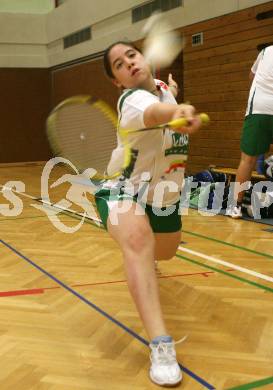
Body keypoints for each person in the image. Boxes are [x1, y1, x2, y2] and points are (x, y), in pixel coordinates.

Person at [95, 41, 202, 387]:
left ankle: (146, 257)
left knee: (166, 251)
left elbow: (163, 98)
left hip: (163, 197)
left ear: (143, 59)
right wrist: (177, 112)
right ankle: (161, 346)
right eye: (119, 65)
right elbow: (155, 113)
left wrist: (172, 93)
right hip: (122, 190)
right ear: (117, 81)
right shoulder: (131, 102)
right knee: (139, 238)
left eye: (131, 55)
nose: (128, 63)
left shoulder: (160, 91)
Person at [227, 45, 273, 218]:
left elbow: (251, 75)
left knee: (247, 160)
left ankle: (236, 206)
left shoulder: (266, 51)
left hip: (259, 109)